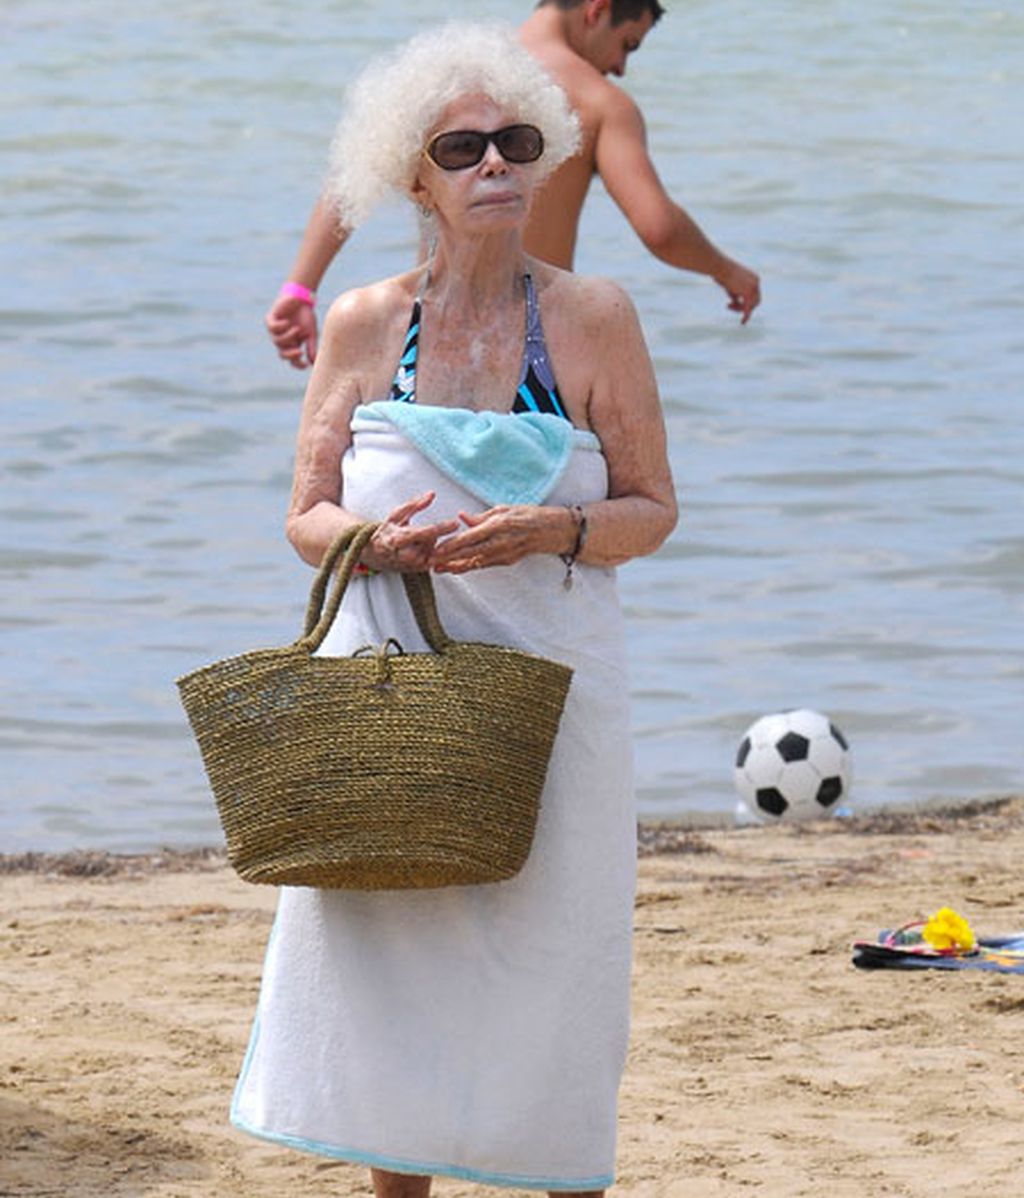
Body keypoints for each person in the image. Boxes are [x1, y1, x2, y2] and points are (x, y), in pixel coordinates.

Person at [231, 23, 677, 1198]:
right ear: (412, 175)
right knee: (400, 944)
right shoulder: (366, 323)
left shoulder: (593, 316)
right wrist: (380, 543)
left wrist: (554, 528)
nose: (495, 165)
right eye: (463, 146)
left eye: (516, 142)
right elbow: (306, 516)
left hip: (559, 688)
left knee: (560, 951)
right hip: (393, 681)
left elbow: (652, 509)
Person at [267, 0, 761, 371]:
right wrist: (727, 270)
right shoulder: (600, 101)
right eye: (627, 44)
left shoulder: (453, 73)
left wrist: (300, 289)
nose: (620, 66)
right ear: (598, 9)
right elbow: (659, 228)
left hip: (431, 329)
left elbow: (354, 174)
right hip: (535, 339)